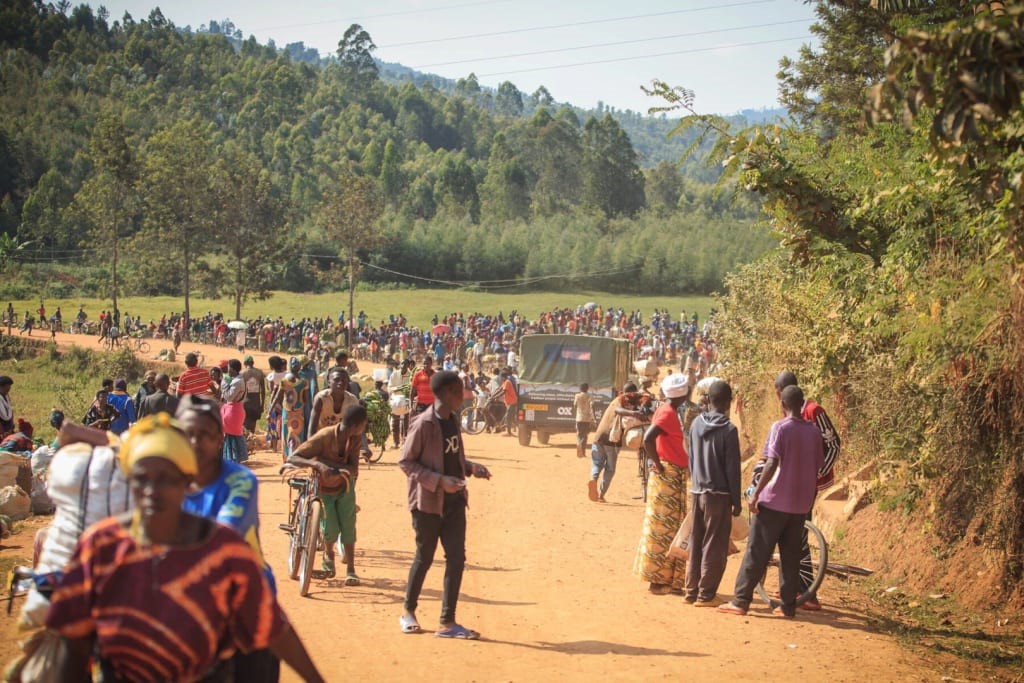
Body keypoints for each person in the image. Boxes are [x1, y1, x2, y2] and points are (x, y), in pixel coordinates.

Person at [45, 414, 325, 682]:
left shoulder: (224, 551)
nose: (153, 489)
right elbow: (74, 644)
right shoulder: (101, 546)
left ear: (186, 481)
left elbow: (269, 626)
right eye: (142, 478)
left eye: (166, 478)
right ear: (129, 481)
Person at [177, 396, 281, 681]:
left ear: (221, 438)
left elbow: (225, 535)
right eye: (188, 435)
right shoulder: (168, 482)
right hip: (194, 609)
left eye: (205, 435)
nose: (196, 443)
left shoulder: (240, 481)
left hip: (248, 609)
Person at [399, 370, 492, 639]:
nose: (465, 395)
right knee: (424, 557)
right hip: (427, 503)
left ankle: (448, 622)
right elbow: (406, 462)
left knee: (456, 558)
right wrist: (439, 481)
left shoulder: (452, 420)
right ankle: (408, 611)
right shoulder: (423, 424)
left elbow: (452, 457)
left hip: (455, 502)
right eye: (460, 390)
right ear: (448, 393)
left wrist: (471, 467)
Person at [719, 385, 824, 618]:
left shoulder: (780, 427)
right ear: (802, 404)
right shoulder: (814, 432)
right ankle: (787, 607)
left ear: (782, 404)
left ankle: (740, 601)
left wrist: (756, 493)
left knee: (757, 552)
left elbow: (771, 462)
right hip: (800, 506)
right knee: (791, 556)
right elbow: (818, 465)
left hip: (774, 502)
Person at [767, 370, 841, 611]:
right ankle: (794, 587)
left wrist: (817, 473)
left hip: (807, 484)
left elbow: (833, 444)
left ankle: (807, 592)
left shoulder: (814, 412)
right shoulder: (790, 414)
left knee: (798, 536)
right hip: (793, 483)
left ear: (781, 392)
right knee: (793, 534)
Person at [288, 404, 368, 584]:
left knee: (348, 526)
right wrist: (318, 465)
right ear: (357, 425)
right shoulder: (324, 436)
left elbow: (353, 468)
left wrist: (331, 466)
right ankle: (329, 556)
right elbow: (294, 457)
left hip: (345, 485)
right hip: (323, 488)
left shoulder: (354, 440)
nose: (363, 429)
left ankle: (351, 569)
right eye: (363, 425)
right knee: (329, 527)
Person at [685, 380, 741, 606]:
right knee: (714, 545)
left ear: (708, 400)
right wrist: (736, 501)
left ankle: (691, 590)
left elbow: (691, 459)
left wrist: (695, 482)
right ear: (729, 402)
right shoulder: (729, 430)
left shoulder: (696, 424)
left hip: (697, 491)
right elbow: (732, 469)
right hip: (718, 495)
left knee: (696, 541)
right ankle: (706, 594)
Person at [634, 373, 690, 595]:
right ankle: (657, 581)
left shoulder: (668, 410)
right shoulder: (667, 413)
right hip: (667, 476)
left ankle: (670, 580)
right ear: (682, 395)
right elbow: (648, 438)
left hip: (673, 475)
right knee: (662, 529)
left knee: (671, 528)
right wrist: (657, 464)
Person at [589, 381, 644, 503]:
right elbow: (619, 410)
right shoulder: (620, 401)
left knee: (597, 464)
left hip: (598, 438)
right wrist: (633, 413)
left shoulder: (617, 400)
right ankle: (601, 495)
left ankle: (593, 478)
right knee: (610, 469)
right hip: (612, 440)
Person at [281, 356, 318, 458]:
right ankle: (296, 455)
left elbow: (279, 396)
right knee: (298, 431)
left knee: (289, 432)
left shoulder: (285, 380)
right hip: (299, 408)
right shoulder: (304, 380)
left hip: (289, 409)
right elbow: (307, 397)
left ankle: (290, 455)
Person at [311, 367, 360, 434]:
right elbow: (312, 427)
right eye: (336, 380)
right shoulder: (321, 399)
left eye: (343, 380)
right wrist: (311, 443)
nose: (340, 383)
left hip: (342, 439)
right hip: (322, 438)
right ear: (329, 382)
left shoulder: (352, 401)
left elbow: (356, 427)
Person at [221, 359, 248, 463]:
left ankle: (233, 461)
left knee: (231, 437)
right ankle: (235, 461)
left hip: (233, 411)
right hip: (237, 410)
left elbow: (229, 396)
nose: (228, 370)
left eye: (229, 368)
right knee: (234, 436)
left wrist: (224, 383)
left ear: (232, 369)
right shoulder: (240, 379)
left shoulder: (237, 382)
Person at [388, 359, 413, 448]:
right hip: (395, 401)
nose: (403, 365)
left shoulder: (410, 375)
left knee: (406, 422)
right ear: (400, 364)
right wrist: (400, 388)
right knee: (395, 422)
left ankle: (405, 441)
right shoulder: (394, 374)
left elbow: (411, 388)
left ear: (408, 366)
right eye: (402, 363)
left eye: (406, 364)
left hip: (406, 401)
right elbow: (390, 388)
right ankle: (396, 442)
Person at [242, 355, 266, 434]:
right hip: (256, 402)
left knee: (244, 424)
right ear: (253, 363)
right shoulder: (259, 372)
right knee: (253, 424)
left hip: (246, 402)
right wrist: (262, 405)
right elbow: (263, 390)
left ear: (245, 363)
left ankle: (246, 442)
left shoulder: (243, 373)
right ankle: (251, 438)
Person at [573, 383, 596, 459]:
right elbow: (592, 407)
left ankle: (579, 452)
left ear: (580, 389)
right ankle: (583, 452)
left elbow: (575, 405)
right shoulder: (590, 396)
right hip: (587, 419)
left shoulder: (577, 396)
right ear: (587, 388)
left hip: (579, 418)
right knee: (585, 436)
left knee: (579, 435)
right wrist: (594, 418)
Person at [499, 369, 518, 436]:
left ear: (503, 377)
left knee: (508, 416)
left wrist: (496, 397)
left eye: (501, 377)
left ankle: (508, 432)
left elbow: (504, 391)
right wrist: (493, 396)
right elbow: (499, 390)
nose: (500, 378)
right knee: (510, 416)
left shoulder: (507, 382)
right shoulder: (504, 382)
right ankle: (510, 431)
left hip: (512, 402)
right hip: (510, 402)